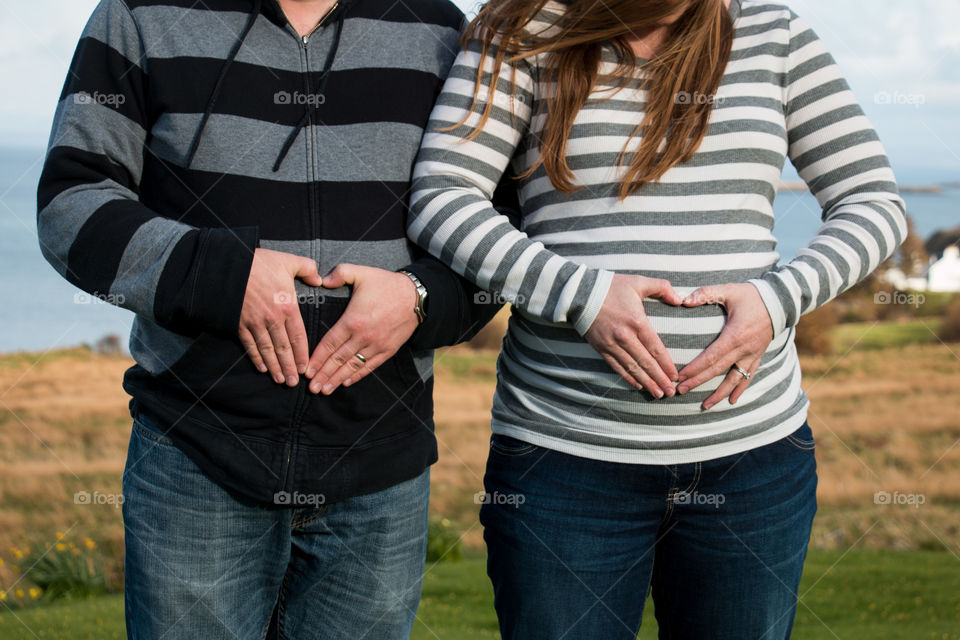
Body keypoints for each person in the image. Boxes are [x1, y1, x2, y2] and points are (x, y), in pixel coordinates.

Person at [410, 0, 907, 638]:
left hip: (751, 464)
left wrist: (777, 301)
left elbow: (872, 202)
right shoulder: (523, 31)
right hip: (564, 460)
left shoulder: (772, 35)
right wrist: (580, 296)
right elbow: (441, 198)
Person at [36, 0, 514, 637]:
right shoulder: (139, 14)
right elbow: (71, 203)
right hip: (196, 452)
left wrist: (421, 298)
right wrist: (221, 273)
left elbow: (499, 224)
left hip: (381, 462)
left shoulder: (439, 30)